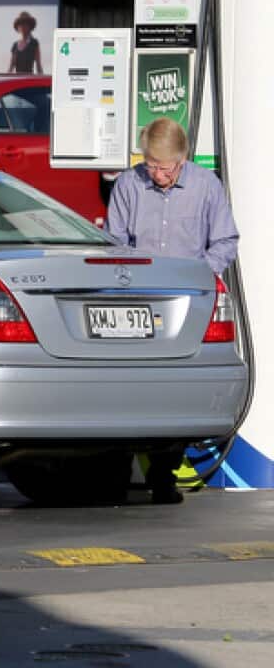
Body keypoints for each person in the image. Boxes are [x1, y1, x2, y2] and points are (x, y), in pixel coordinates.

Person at [106, 117, 239, 504]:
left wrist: (200, 274)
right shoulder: (129, 185)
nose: (157, 175)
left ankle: (163, 474)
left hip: (186, 303)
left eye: (165, 168)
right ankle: (119, 471)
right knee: (127, 387)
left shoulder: (206, 186)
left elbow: (226, 241)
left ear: (182, 161)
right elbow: (114, 241)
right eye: (151, 166)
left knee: (176, 389)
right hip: (136, 301)